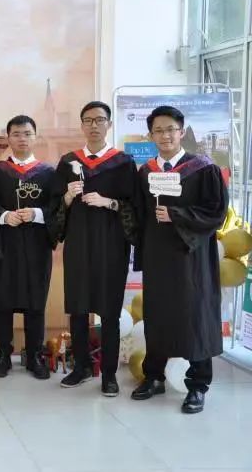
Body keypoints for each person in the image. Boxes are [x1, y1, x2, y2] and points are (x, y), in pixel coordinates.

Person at [131, 105, 228, 414]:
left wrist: (176, 214)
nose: (165, 135)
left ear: (182, 132)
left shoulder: (203, 168)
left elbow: (216, 211)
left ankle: (197, 385)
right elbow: (139, 213)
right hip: (158, 255)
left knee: (194, 315)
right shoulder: (146, 171)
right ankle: (154, 376)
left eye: (171, 129)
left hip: (192, 257)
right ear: (151, 135)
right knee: (158, 314)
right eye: (158, 130)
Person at [49, 101, 138, 397]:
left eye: (100, 120)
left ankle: (109, 374)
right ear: (82, 125)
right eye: (88, 120)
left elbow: (136, 207)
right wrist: (67, 197)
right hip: (78, 244)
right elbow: (53, 207)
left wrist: (109, 202)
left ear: (109, 124)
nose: (94, 125)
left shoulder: (123, 163)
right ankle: (81, 367)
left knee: (109, 311)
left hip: (111, 246)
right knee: (78, 308)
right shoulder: (68, 163)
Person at [0, 116, 56, 380]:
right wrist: (4, 216)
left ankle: (34, 355)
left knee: (36, 301)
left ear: (35, 136)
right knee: (2, 301)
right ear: (8, 138)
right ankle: (3, 354)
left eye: (27, 133)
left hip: (37, 246)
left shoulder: (48, 173)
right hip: (6, 245)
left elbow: (58, 208)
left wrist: (38, 214)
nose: (22, 139)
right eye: (16, 134)